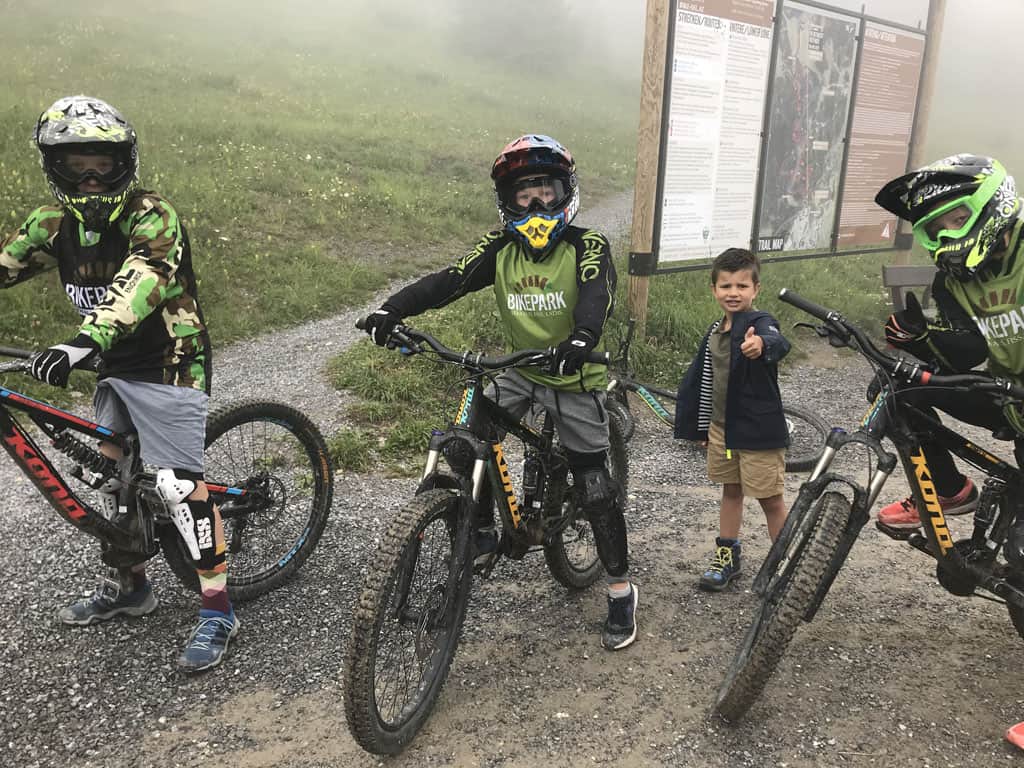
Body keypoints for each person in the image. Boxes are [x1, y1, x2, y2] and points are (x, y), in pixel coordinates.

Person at [360, 134, 637, 650]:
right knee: (469, 440)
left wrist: (582, 338)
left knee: (594, 484)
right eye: (524, 195)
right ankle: (482, 529)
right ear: (507, 202)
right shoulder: (499, 248)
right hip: (520, 369)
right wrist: (391, 310)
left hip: (573, 373)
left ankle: (620, 589)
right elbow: (448, 281)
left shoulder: (587, 245)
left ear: (566, 194)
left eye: (546, 192)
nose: (536, 205)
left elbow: (597, 292)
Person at [0, 95, 236, 671]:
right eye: (76, 160)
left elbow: (143, 280)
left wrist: (83, 340)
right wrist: (89, 346)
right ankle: (133, 588)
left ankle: (218, 610)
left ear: (124, 161)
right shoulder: (52, 224)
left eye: (102, 161)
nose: (89, 174)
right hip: (109, 361)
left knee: (178, 486)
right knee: (111, 479)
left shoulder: (151, 214)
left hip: (169, 359)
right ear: (52, 164)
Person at [873, 153, 1024, 529]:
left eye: (958, 219)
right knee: (893, 391)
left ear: (994, 205)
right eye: (937, 228)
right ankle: (949, 489)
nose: (949, 235)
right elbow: (967, 353)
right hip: (1007, 396)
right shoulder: (952, 280)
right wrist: (919, 338)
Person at [674, 248, 791, 591]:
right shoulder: (715, 330)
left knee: (771, 499)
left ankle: (784, 563)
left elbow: (777, 340)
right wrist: (702, 426)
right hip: (723, 432)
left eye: (742, 286)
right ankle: (727, 557)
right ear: (714, 290)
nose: (733, 293)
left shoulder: (759, 323)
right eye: (726, 286)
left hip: (758, 431)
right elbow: (705, 380)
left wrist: (762, 346)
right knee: (731, 490)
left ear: (756, 289)